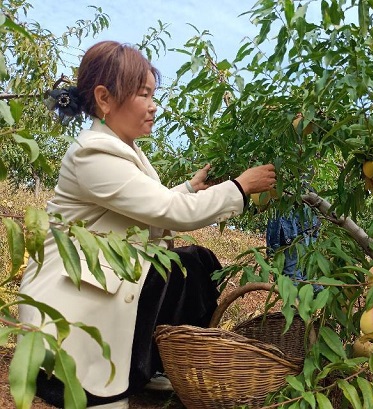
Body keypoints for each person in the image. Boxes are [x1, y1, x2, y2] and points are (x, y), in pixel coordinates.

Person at [17, 40, 276, 409]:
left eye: (154, 95)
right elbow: (169, 211)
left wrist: (190, 187)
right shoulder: (93, 153)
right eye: (143, 94)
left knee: (194, 265)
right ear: (104, 99)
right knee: (95, 397)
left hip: (110, 278)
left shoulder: (123, 150)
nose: (154, 106)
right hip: (73, 303)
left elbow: (139, 209)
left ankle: (152, 363)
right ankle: (141, 368)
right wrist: (241, 187)